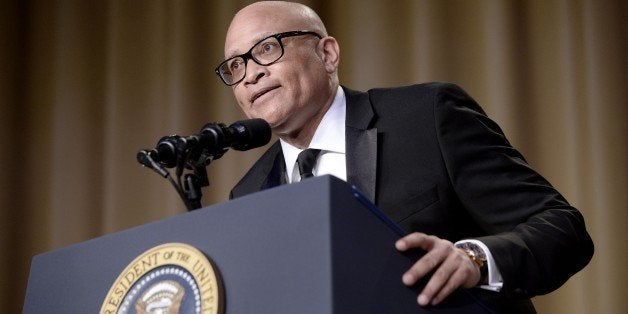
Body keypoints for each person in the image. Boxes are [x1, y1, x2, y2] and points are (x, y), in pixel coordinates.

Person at [216, 1, 593, 312]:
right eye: (235, 65)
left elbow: (562, 229)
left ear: (327, 53)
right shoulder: (248, 194)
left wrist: (475, 260)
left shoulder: (426, 117)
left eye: (266, 48)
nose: (249, 75)